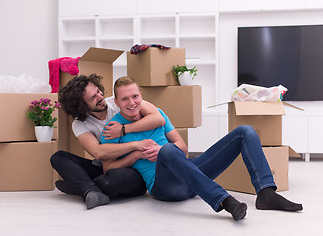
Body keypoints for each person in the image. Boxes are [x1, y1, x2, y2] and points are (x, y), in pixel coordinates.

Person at [100, 76, 303, 221]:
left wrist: (165, 151)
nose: (131, 103)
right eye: (125, 99)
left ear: (141, 96)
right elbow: (108, 169)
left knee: (245, 131)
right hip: (165, 187)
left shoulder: (157, 114)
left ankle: (266, 193)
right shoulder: (112, 129)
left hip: (190, 172)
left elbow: (182, 147)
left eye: (135, 96)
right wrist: (137, 154)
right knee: (167, 150)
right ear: (116, 102)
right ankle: (224, 200)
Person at [50, 74, 165, 210]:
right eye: (93, 98)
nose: (100, 97)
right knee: (58, 157)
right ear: (82, 106)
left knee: (110, 182)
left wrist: (123, 129)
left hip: (134, 168)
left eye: (98, 92)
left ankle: (82, 186)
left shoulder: (119, 101)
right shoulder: (80, 124)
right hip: (110, 165)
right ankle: (89, 190)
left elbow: (158, 118)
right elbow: (98, 152)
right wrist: (136, 145)